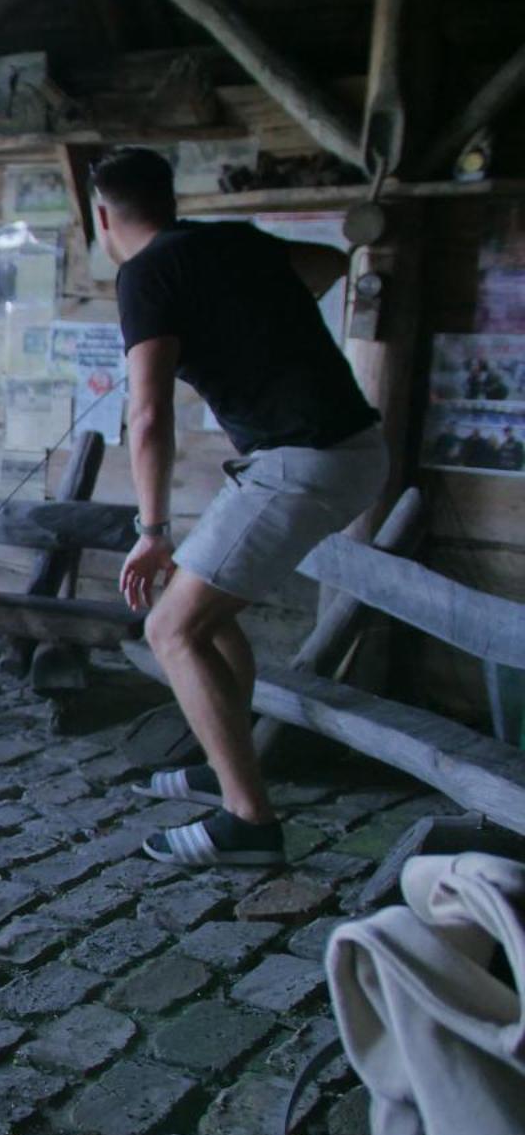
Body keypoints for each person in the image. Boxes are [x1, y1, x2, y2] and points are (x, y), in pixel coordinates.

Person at [95, 145, 385, 867]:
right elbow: (325, 264)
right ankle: (224, 765)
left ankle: (249, 821)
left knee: (170, 629)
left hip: (303, 459)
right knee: (210, 619)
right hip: (333, 450)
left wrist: (152, 530)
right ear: (169, 198)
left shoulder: (145, 274)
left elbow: (149, 414)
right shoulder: (230, 241)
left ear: (103, 217)